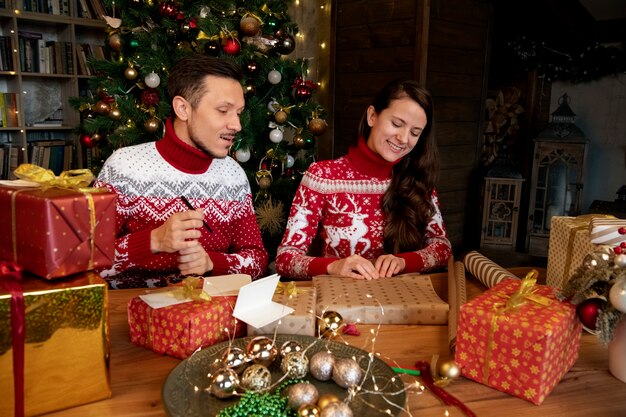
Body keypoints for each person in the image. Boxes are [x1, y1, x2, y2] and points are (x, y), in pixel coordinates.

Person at [94, 54, 268, 288]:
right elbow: (83, 259)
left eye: (238, 112)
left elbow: (257, 260)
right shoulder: (124, 168)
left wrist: (211, 263)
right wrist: (152, 240)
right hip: (132, 312)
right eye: (223, 110)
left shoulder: (233, 175)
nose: (236, 125)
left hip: (206, 314)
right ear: (183, 108)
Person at [275, 79, 451, 280]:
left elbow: (442, 249)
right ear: (372, 116)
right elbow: (286, 259)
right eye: (396, 124)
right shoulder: (322, 176)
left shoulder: (417, 177)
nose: (403, 138)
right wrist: (333, 266)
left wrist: (405, 261)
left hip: (404, 304)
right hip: (340, 305)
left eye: (414, 132)